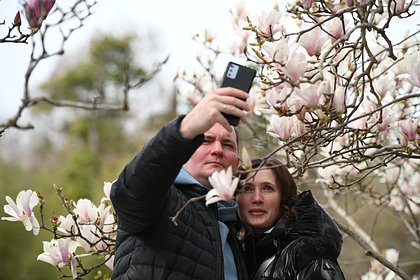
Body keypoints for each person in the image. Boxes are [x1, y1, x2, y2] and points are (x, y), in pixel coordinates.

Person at [110, 87, 251, 280]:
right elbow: (128, 194)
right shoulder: (163, 199)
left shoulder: (235, 229)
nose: (217, 150)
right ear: (185, 152)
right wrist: (186, 129)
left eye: (227, 144)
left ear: (236, 162)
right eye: (206, 141)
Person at [236, 158, 346, 280]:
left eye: (267, 188)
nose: (257, 198)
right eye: (247, 188)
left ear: (283, 197)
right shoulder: (241, 251)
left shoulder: (308, 253)